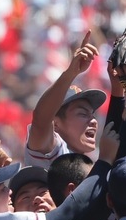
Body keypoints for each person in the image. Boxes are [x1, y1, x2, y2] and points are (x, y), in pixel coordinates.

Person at [23, 32, 109, 169]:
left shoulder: (90, 161)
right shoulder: (52, 152)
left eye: (92, 114)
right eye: (82, 114)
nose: (93, 121)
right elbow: (40, 120)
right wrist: (71, 73)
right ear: (55, 125)